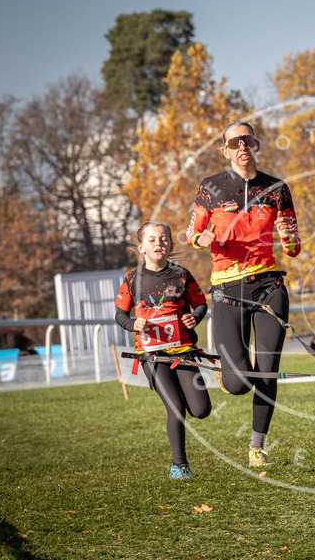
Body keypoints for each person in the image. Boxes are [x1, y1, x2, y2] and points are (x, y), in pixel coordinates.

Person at [185, 120, 301, 468]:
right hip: (227, 290)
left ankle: (256, 447)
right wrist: (200, 239)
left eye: (247, 140)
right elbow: (190, 231)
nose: (241, 146)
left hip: (269, 287)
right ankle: (228, 371)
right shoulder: (212, 188)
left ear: (256, 145)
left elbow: (293, 248)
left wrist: (286, 236)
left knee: (267, 371)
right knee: (237, 385)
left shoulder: (277, 188)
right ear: (225, 151)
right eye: (234, 142)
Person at [115, 220, 212, 479]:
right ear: (141, 247)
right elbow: (120, 315)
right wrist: (133, 324)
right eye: (152, 240)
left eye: (164, 239)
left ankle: (187, 392)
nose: (159, 243)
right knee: (175, 407)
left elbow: (201, 304)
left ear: (170, 245)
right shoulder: (132, 280)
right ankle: (179, 465)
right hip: (152, 357)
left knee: (201, 410)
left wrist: (195, 318)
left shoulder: (182, 275)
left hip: (183, 353)